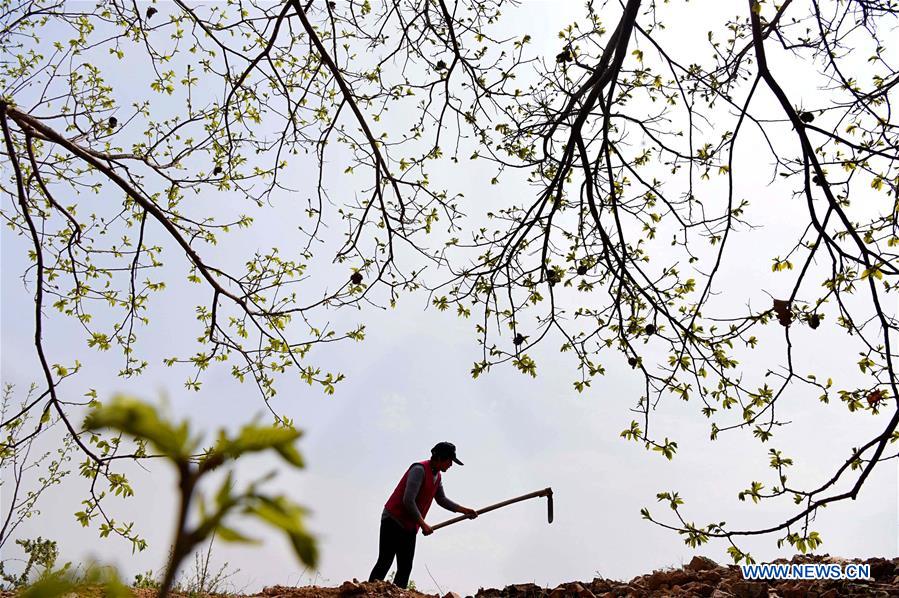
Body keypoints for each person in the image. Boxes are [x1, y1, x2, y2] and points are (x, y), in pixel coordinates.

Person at [369, 442, 477, 588]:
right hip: (393, 519)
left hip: (410, 525)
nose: (451, 465)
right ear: (439, 458)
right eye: (449, 461)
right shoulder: (419, 470)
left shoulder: (437, 476)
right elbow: (408, 500)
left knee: (405, 567)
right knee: (385, 561)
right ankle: (367, 593)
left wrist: (465, 510)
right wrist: (423, 524)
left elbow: (442, 500)